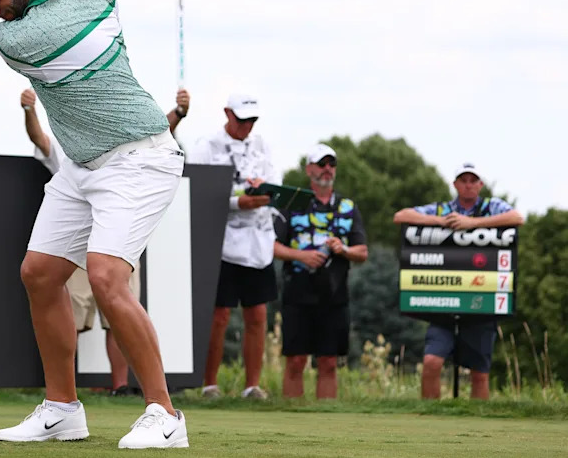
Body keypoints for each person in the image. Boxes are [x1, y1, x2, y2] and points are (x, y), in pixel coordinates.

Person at [0, 0, 188, 449]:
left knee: (106, 276)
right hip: (81, 165)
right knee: (39, 274)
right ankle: (62, 409)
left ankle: (165, 414)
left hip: (140, 159)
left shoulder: (17, 40)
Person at [21, 86, 190, 396]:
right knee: (65, 306)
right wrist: (30, 110)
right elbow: (39, 139)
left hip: (117, 239)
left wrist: (178, 113)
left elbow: (153, 134)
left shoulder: (120, 138)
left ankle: (134, 392)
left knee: (116, 311)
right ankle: (63, 398)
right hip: (73, 249)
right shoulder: (66, 145)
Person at [392, 162, 524, 400]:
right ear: (455, 184)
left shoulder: (491, 206)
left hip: (482, 304)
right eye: (463, 180)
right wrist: (441, 222)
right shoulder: (442, 209)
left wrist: (473, 224)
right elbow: (401, 216)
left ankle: (477, 419)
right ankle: (429, 415)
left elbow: (516, 217)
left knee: (479, 373)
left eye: (473, 180)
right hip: (445, 304)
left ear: (480, 184)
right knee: (432, 362)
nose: (468, 185)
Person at [187, 94, 278, 400]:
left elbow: (274, 185)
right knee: (219, 315)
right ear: (227, 113)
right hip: (221, 241)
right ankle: (209, 384)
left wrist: (260, 195)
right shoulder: (206, 146)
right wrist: (239, 201)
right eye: (242, 119)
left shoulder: (263, 145)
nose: (247, 126)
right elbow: (199, 189)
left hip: (258, 241)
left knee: (257, 315)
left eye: (252, 120)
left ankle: (252, 386)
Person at [273, 144, 369, 399]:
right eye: (322, 164)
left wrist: (342, 249)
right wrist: (301, 255)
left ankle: (326, 416)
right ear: (309, 169)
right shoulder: (294, 203)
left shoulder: (347, 207)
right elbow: (272, 246)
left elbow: (362, 252)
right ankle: (291, 416)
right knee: (296, 360)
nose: (327, 169)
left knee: (328, 361)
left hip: (334, 292)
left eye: (332, 164)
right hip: (298, 290)